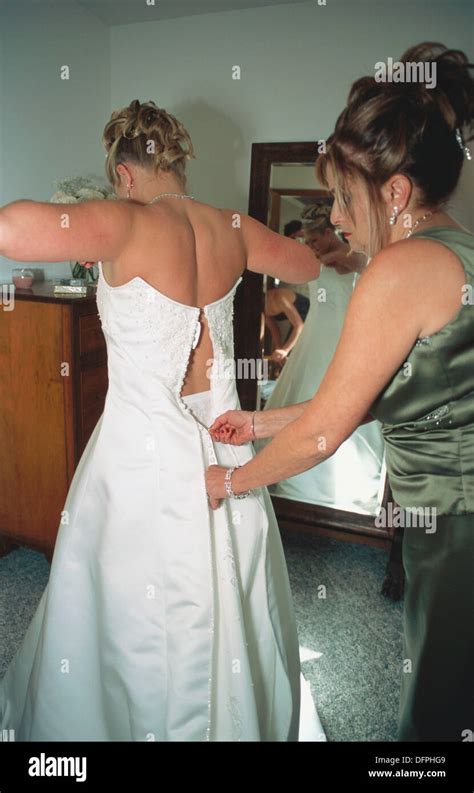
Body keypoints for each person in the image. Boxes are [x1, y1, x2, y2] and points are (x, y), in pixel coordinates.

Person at [0, 99, 324, 741]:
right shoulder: (230, 225)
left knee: (129, 609)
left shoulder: (124, 224)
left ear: (123, 174)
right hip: (227, 441)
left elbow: (10, 229)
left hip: (140, 450)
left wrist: (98, 223)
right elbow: (307, 266)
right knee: (233, 590)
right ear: (177, 162)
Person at [206, 43, 474, 741]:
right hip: (448, 516)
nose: (336, 217)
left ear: (395, 192)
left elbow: (327, 431)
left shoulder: (402, 268)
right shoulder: (459, 248)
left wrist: (229, 484)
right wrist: (259, 425)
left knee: (438, 717)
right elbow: (368, 401)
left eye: (345, 196)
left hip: (457, 525)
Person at [258, 211, 385, 514]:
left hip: (345, 332)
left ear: (330, 232)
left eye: (315, 239)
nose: (311, 245)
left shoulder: (352, 254)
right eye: (307, 241)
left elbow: (358, 266)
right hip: (315, 332)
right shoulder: (312, 258)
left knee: (340, 394)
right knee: (306, 388)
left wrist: (329, 255)